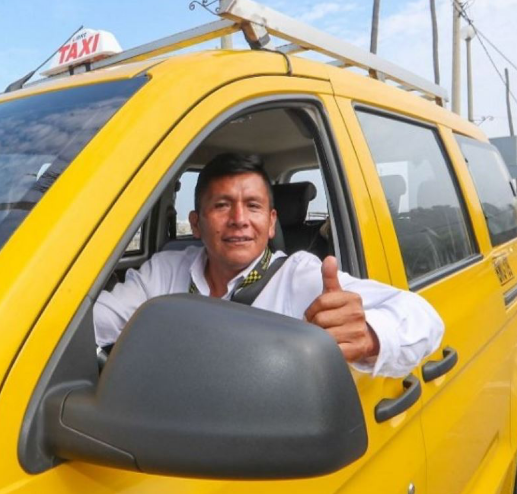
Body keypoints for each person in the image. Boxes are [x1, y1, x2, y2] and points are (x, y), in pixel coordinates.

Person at [93, 153, 444, 379]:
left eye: (253, 206)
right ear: (196, 224)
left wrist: (369, 335)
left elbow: (423, 316)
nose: (239, 219)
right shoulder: (165, 271)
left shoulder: (300, 277)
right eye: (222, 205)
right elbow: (96, 322)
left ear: (271, 222)